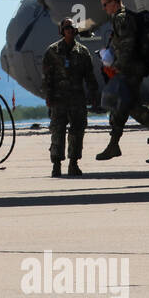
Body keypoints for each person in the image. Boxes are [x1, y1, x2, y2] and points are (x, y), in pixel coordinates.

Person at [96, 0, 149, 160]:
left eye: (105, 4)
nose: (104, 8)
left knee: (127, 104)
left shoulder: (121, 18)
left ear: (115, 3)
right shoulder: (123, 17)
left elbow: (127, 45)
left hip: (129, 68)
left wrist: (116, 64)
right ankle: (114, 145)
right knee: (123, 105)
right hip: (131, 67)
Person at [42, 17, 99, 178]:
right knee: (57, 131)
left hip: (77, 99)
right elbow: (47, 77)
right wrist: (48, 96)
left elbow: (89, 76)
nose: (69, 30)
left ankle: (73, 163)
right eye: (66, 28)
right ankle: (56, 165)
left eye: (72, 28)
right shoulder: (52, 51)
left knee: (77, 131)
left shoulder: (83, 52)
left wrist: (93, 94)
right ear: (62, 31)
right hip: (59, 99)